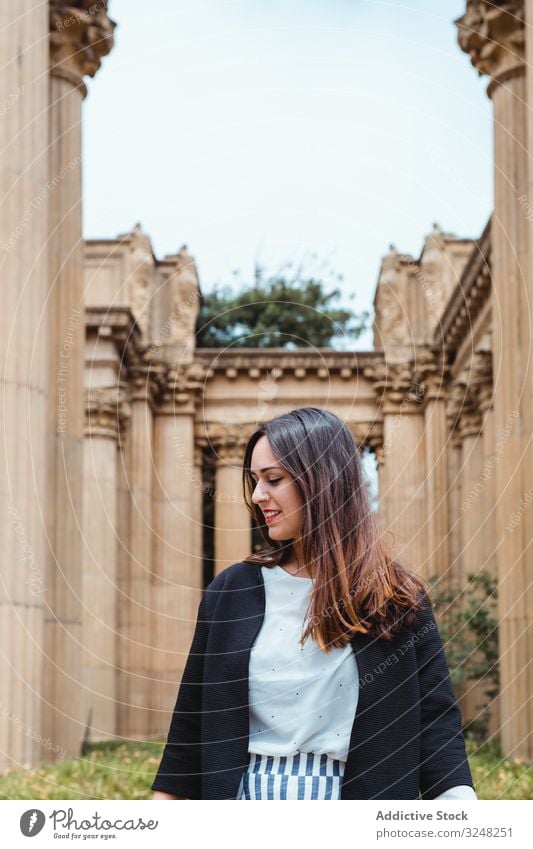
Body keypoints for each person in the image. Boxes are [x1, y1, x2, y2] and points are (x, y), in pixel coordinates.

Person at [152, 406, 477, 800]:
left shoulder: (396, 598)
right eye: (255, 481)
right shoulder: (230, 592)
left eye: (273, 479)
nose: (257, 497)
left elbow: (436, 727)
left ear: (323, 481)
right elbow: (187, 739)